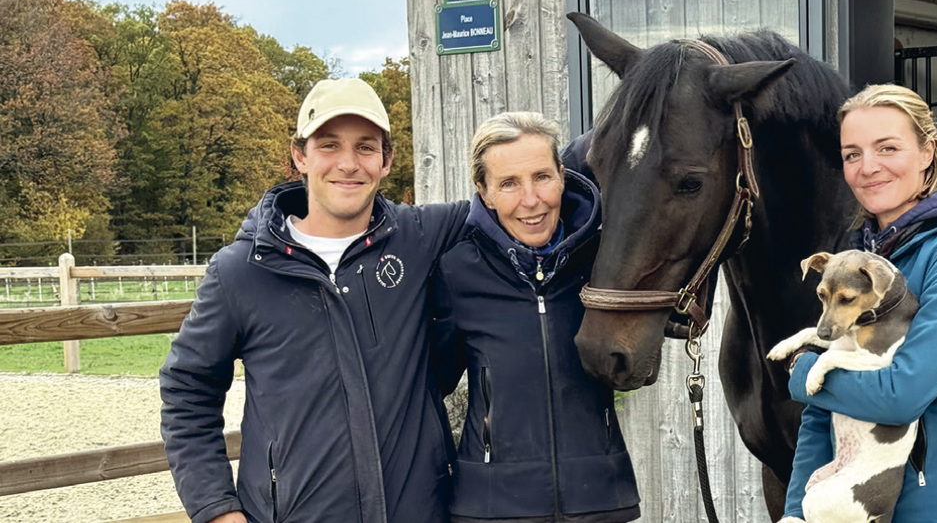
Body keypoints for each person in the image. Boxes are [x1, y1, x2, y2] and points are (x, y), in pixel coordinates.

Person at [160, 78, 470, 523]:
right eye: (329, 145)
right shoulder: (242, 270)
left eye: (366, 147)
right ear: (299, 156)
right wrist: (216, 509)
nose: (348, 163)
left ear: (387, 161)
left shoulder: (421, 237)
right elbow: (187, 389)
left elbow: (516, 194)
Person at [779, 84, 937, 522]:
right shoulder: (862, 262)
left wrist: (803, 371)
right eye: (851, 154)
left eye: (887, 148)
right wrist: (796, 514)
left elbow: (902, 395)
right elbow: (819, 416)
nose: (868, 167)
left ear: (927, 153)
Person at [431, 112, 641, 523]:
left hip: (600, 499)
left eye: (542, 176)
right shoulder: (457, 272)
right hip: (493, 506)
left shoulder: (602, 262)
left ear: (563, 175)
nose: (531, 200)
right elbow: (429, 384)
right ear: (483, 192)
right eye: (508, 183)